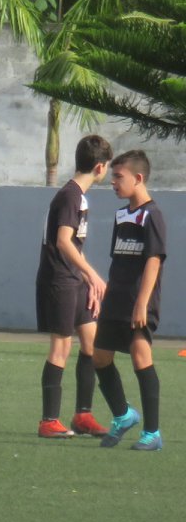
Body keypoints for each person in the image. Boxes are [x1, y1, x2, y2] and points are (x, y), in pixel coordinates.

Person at [35, 134, 113, 438]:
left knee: (91, 344)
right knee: (62, 345)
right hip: (58, 280)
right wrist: (93, 275)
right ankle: (48, 421)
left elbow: (73, 247)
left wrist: (85, 280)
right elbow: (63, 242)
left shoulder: (78, 196)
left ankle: (83, 415)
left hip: (73, 279)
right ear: (99, 167)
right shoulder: (70, 196)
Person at [90, 149, 165, 452]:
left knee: (140, 358)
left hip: (139, 301)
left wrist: (142, 303)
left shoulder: (153, 214)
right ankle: (123, 415)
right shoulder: (122, 215)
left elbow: (153, 261)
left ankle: (152, 433)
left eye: (118, 177)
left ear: (138, 178)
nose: (113, 183)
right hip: (116, 298)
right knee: (100, 357)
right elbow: (118, 259)